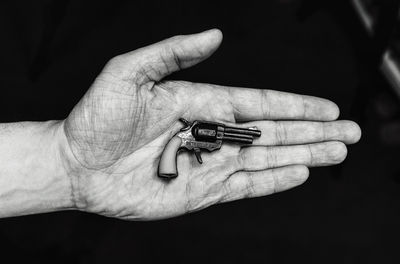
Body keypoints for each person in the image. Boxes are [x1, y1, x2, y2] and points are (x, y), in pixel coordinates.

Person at [0, 29, 361, 220]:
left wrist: (65, 161)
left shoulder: (192, 137)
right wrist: (71, 163)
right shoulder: (181, 139)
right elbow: (181, 140)